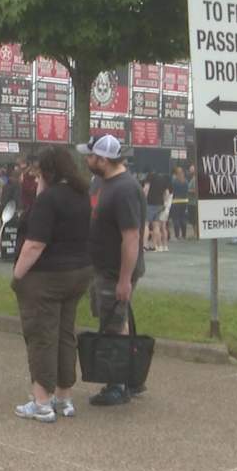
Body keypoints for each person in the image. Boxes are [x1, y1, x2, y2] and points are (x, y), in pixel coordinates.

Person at [10, 146, 93, 423]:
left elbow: (35, 244)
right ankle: (64, 396)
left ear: (46, 171)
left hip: (47, 276)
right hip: (78, 272)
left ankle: (41, 401)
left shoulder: (48, 200)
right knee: (65, 334)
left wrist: (18, 275)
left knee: (41, 335)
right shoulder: (82, 195)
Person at [78, 135, 146, 406]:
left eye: (90, 156)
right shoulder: (101, 183)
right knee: (116, 321)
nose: (87, 160)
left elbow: (131, 237)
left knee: (113, 326)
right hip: (102, 267)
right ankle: (130, 376)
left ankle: (117, 384)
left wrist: (124, 280)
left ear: (103, 160)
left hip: (115, 270)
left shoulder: (125, 189)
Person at [144, 169, 170, 252]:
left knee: (146, 224)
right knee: (156, 226)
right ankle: (155, 246)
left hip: (149, 203)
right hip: (160, 204)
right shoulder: (163, 179)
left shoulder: (149, 177)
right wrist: (165, 203)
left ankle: (145, 245)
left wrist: (143, 200)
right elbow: (167, 193)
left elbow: (146, 189)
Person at [170, 166, 189, 242]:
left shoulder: (174, 181)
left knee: (176, 219)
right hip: (184, 201)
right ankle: (184, 235)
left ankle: (177, 236)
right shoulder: (186, 181)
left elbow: (171, 191)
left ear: (176, 173)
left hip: (175, 201)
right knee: (183, 218)